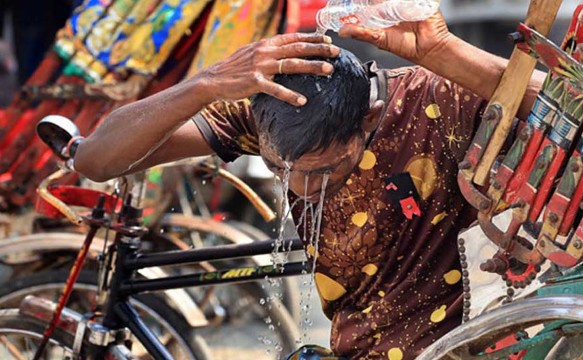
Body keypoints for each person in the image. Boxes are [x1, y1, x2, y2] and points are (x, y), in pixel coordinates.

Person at [73, 13, 544, 359]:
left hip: (467, 346)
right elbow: (97, 159)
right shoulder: (262, 115)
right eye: (280, 169)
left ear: (370, 121)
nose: (300, 187)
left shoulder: (433, 101)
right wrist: (206, 83)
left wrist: (445, 52)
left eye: (324, 170)